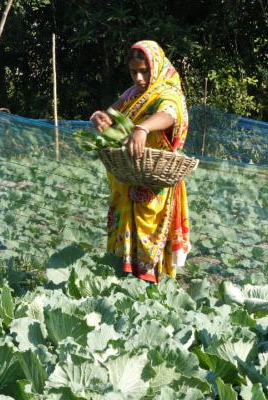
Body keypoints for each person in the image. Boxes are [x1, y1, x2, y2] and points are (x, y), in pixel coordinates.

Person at [90, 40, 191, 283]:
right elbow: (110, 114)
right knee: (122, 242)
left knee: (149, 236)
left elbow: (169, 114)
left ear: (154, 66)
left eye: (144, 71)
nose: (138, 77)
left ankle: (150, 289)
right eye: (134, 72)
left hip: (153, 181)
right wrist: (99, 119)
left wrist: (142, 128)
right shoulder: (132, 94)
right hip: (126, 179)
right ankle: (122, 284)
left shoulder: (167, 92)